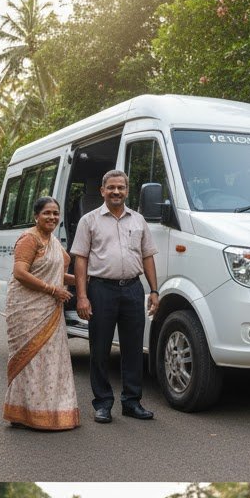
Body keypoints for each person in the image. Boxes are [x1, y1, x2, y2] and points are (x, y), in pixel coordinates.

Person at [71, 170, 159, 423]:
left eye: (121, 187)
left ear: (127, 191)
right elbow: (81, 259)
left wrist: (154, 291)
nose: (116, 192)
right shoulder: (89, 221)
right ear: (102, 191)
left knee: (133, 349)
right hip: (101, 290)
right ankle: (102, 403)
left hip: (133, 289)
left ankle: (132, 402)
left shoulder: (138, 220)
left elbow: (147, 256)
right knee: (99, 348)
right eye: (111, 187)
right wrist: (82, 296)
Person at [2, 196, 80, 430]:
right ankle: (25, 413)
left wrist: (84, 281)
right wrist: (53, 290)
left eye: (55, 213)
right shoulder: (30, 238)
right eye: (47, 213)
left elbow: (55, 273)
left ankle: (50, 411)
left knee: (51, 359)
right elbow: (20, 272)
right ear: (36, 216)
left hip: (50, 308)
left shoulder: (53, 242)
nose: (52, 217)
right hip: (27, 308)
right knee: (30, 359)